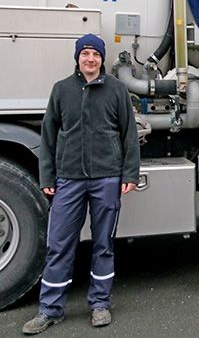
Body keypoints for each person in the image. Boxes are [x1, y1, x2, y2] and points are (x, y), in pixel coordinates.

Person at [23, 33, 140, 335]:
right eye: (85, 53)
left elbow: (129, 135)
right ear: (77, 57)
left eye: (95, 54)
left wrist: (129, 174)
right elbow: (48, 137)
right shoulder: (61, 90)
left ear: (102, 59)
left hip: (106, 178)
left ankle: (99, 304)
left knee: (103, 245)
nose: (90, 59)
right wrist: (47, 177)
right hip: (69, 180)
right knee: (59, 244)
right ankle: (49, 309)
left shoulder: (117, 90)